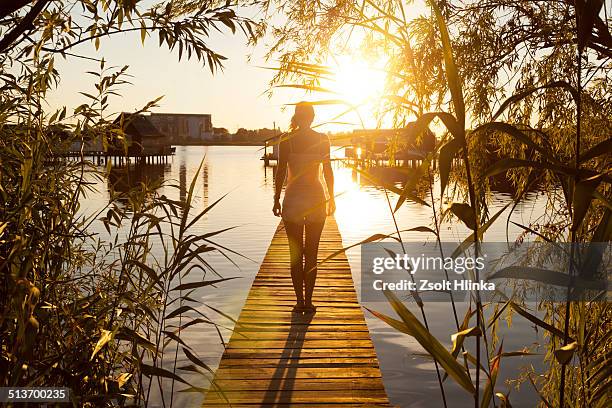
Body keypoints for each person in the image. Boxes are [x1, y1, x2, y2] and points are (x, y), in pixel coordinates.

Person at [272, 102, 335, 314]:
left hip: (293, 199)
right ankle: (309, 301)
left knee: (296, 254)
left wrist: (276, 198)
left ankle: (299, 302)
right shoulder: (322, 139)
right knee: (312, 253)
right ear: (313, 117)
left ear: (297, 117)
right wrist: (332, 198)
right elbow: (328, 171)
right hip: (317, 198)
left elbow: (280, 171)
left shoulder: (286, 140)